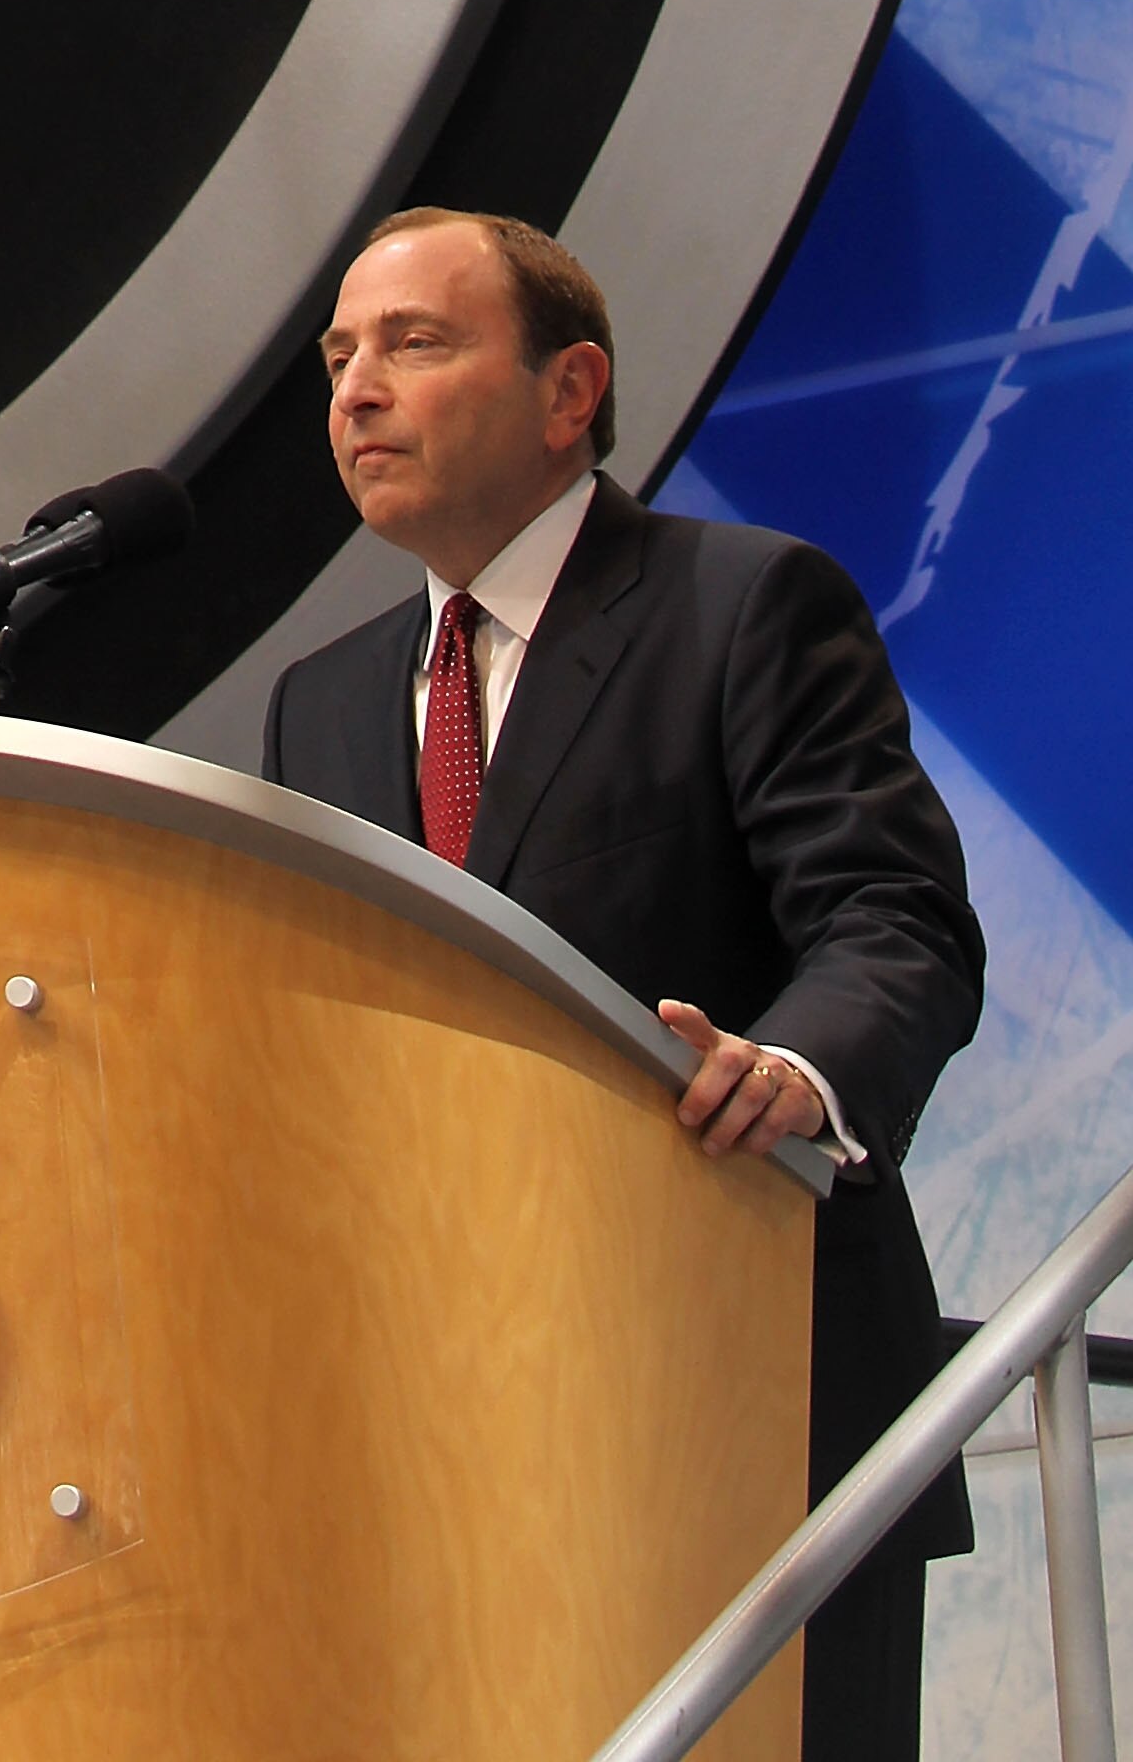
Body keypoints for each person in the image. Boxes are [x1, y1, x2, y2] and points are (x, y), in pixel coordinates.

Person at [265, 204, 983, 1762]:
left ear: (569, 389)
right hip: (443, 1456)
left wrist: (793, 1071)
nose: (356, 391)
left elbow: (896, 921)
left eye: (414, 343)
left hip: (747, 1409)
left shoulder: (746, 604)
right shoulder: (318, 705)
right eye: (338, 358)